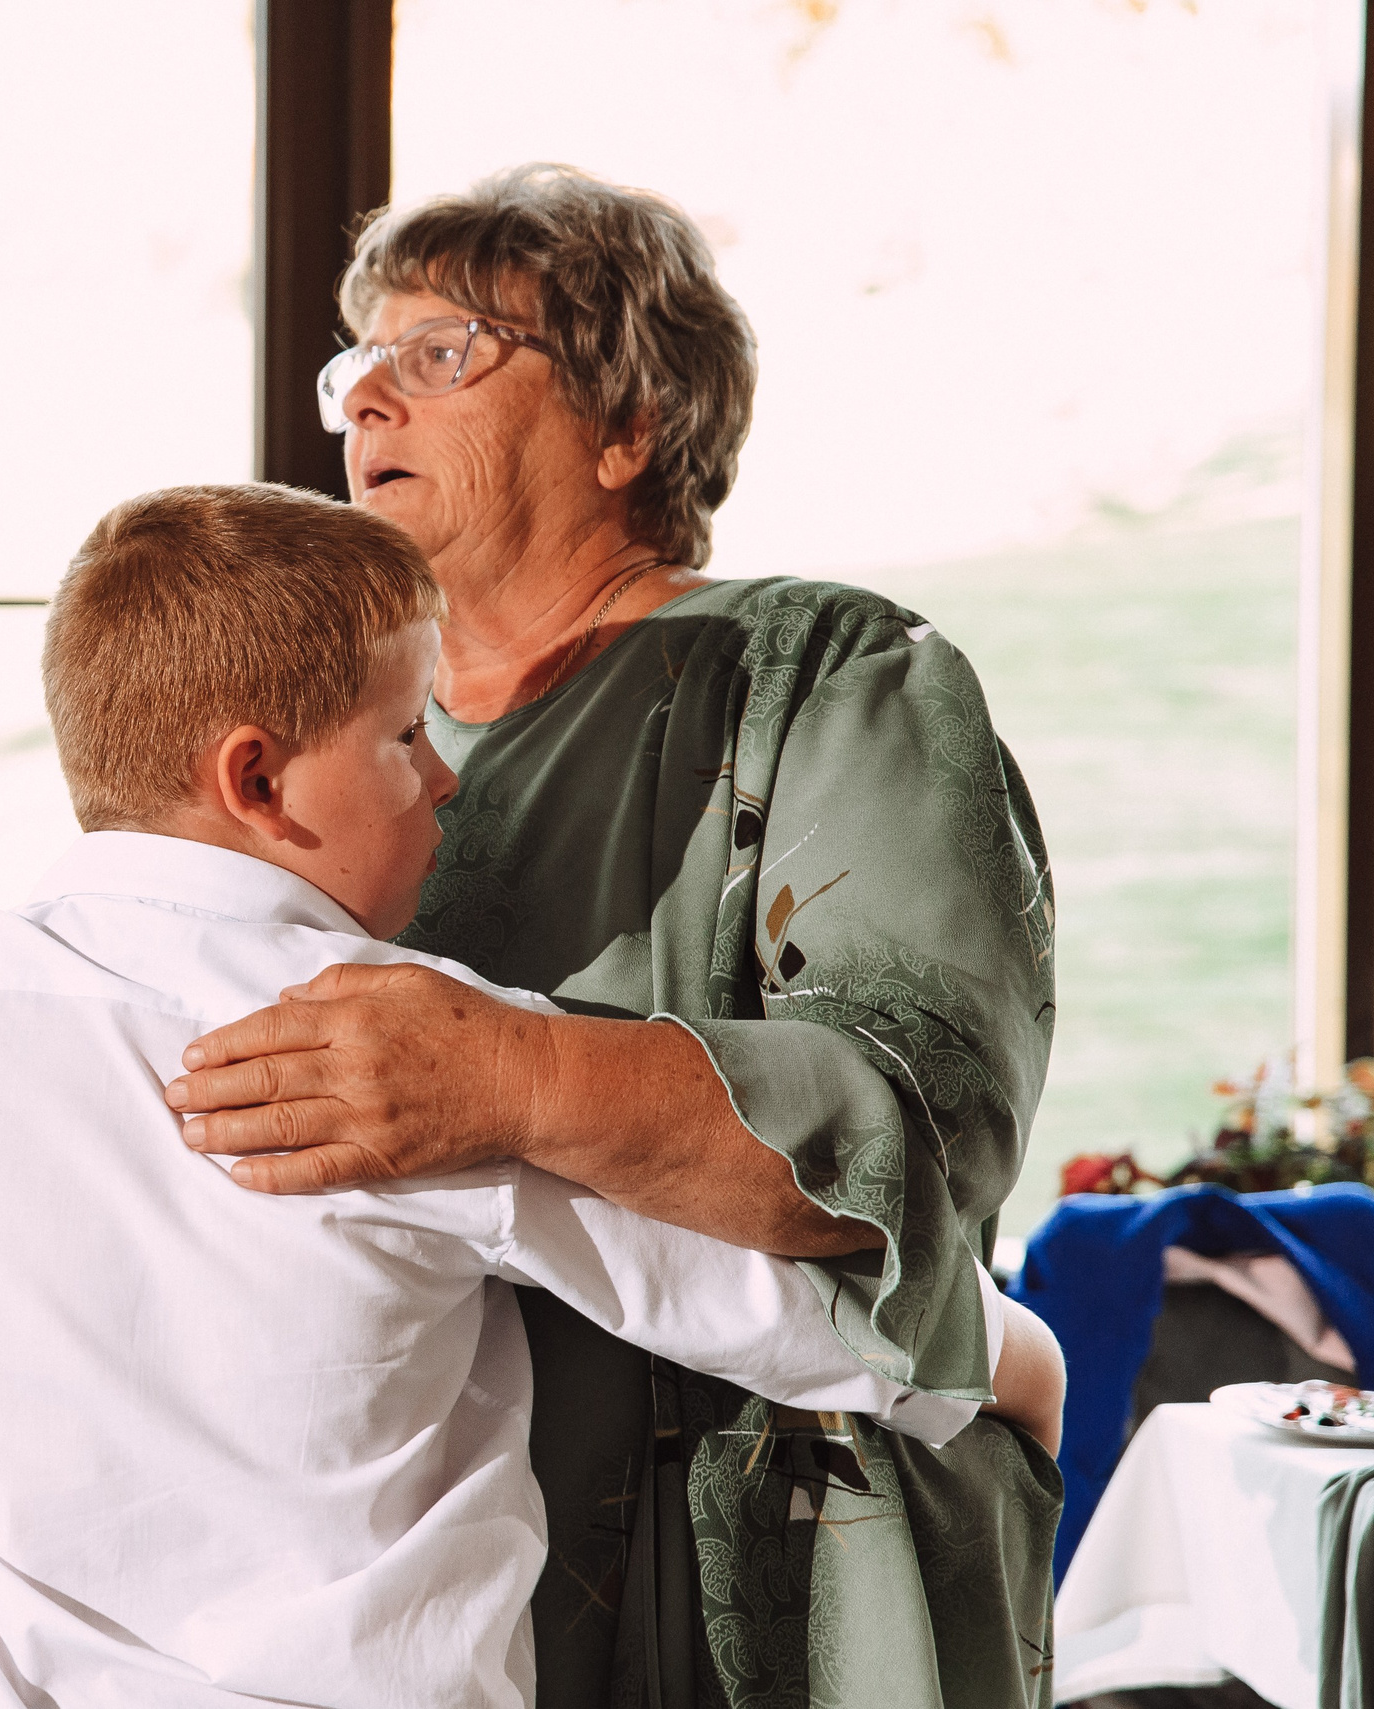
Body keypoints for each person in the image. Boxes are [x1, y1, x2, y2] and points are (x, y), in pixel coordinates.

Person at [0, 484, 1064, 1707]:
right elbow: (786, 1321)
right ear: (260, 781)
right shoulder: (406, 1057)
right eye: (406, 734)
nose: (446, 783)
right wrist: (1014, 1359)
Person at [163, 165, 1064, 1707]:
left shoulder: (825, 673)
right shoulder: (317, 751)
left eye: (441, 350)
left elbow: (918, 1124)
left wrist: (509, 1081)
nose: (366, 397)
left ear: (629, 420)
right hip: (398, 1597)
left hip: (765, 1578)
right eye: (355, 362)